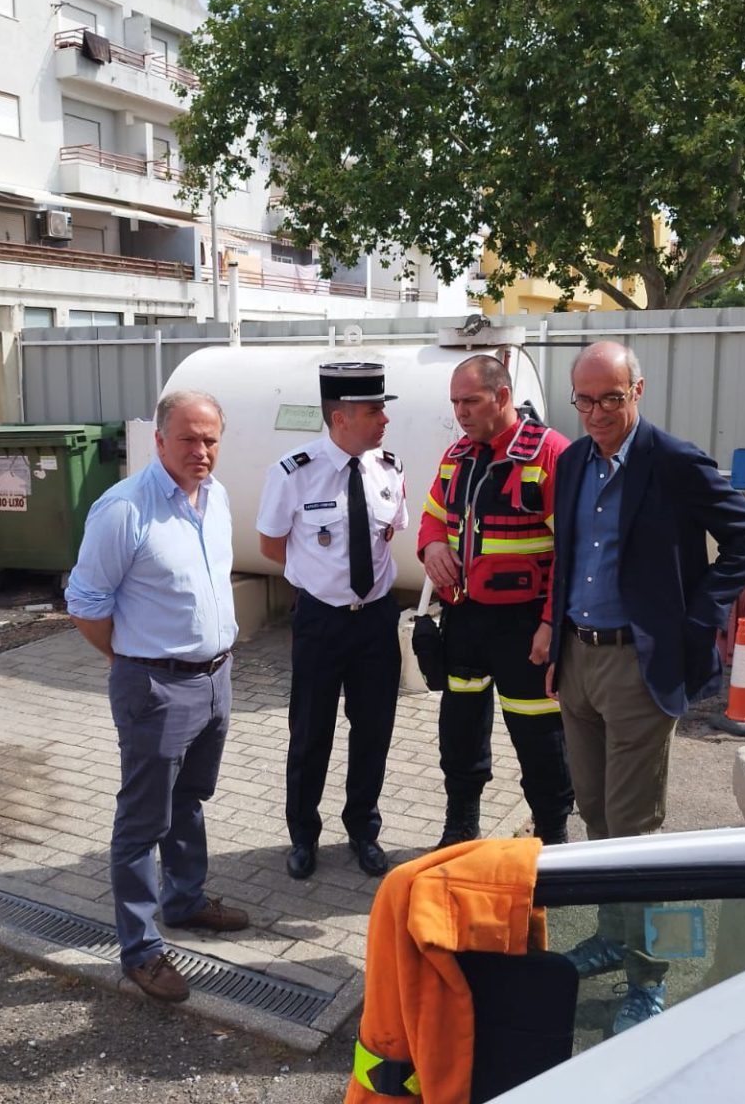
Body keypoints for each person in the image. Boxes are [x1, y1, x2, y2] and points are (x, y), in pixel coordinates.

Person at [547, 342, 745, 1034]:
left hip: (637, 665)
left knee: (634, 827)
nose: (596, 413)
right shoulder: (572, 462)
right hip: (578, 658)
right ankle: (614, 935)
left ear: (637, 391)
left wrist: (697, 616)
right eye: (585, 400)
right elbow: (567, 557)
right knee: (594, 812)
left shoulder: (673, 460)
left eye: (611, 399)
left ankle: (648, 976)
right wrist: (554, 638)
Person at [65, 390, 248, 1004]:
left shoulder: (216, 497)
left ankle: (185, 900)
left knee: (190, 798)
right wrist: (129, 659)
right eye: (189, 439)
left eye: (211, 439)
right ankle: (140, 949)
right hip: (155, 685)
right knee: (143, 820)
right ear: (160, 440)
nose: (201, 451)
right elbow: (85, 603)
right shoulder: (124, 509)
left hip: (216, 678)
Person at [257, 362, 407, 881]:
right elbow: (270, 545)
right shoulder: (293, 472)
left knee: (374, 729)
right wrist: (317, 578)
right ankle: (303, 834)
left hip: (377, 620)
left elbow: (389, 535)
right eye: (374, 410)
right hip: (321, 620)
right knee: (310, 730)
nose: (384, 419)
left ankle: (364, 829)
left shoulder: (389, 468)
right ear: (341, 418)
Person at [418, 354, 574, 848]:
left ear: (503, 396)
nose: (460, 412)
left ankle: (553, 833)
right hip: (464, 620)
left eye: (471, 401)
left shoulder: (550, 454)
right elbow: (432, 516)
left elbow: (574, 552)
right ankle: (460, 826)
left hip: (525, 627)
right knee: (460, 730)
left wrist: (550, 624)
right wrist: (432, 546)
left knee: (538, 734)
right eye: (455, 402)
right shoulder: (456, 455)